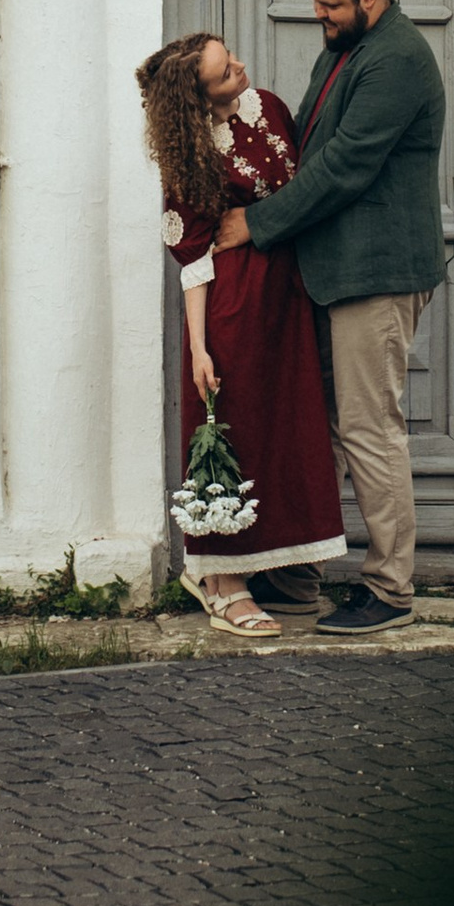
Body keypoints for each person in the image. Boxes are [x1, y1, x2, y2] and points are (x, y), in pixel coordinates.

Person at [210, 0, 447, 638]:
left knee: (371, 430)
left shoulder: (398, 59)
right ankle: (297, 571)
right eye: (316, 4)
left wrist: (256, 224)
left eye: (330, 5)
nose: (321, 15)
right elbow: (307, 149)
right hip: (331, 273)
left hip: (374, 275)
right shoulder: (349, 50)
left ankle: (391, 589)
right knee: (321, 426)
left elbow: (344, 165)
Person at [135, 31, 347, 641]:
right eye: (226, 71)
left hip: (289, 300)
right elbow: (195, 257)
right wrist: (199, 348)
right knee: (232, 434)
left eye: (232, 59)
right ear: (198, 97)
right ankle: (219, 583)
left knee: (286, 431)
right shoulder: (190, 151)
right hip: (232, 309)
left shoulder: (270, 106)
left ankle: (278, 569)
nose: (242, 68)